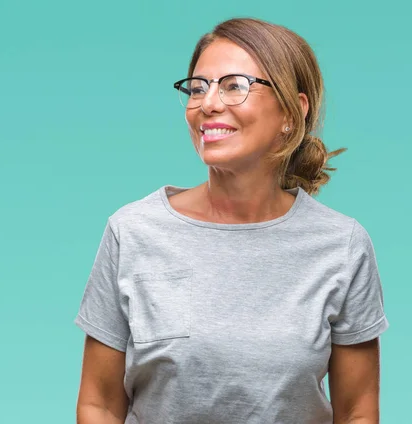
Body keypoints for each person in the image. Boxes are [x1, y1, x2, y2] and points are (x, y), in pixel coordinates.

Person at [74, 17, 389, 424]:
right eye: (198, 87)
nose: (208, 103)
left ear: (293, 111)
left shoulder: (342, 245)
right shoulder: (132, 231)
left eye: (234, 85)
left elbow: (358, 412)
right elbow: (98, 404)